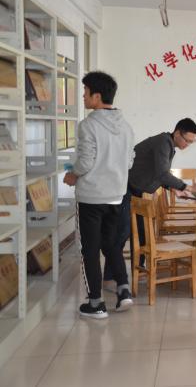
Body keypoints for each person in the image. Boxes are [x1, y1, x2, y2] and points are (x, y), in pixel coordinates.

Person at [64, 71, 135, 318]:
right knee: (112, 244)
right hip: (116, 195)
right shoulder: (126, 127)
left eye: (85, 92)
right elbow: (129, 161)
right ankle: (124, 291)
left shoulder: (88, 125)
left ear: (96, 96)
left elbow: (85, 161)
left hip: (92, 197)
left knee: (90, 250)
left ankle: (95, 304)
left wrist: (73, 175)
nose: (83, 97)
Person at [103, 118, 196, 281]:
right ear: (177, 133)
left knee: (141, 233)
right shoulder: (163, 143)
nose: (188, 144)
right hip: (123, 188)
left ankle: (139, 270)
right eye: (187, 140)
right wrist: (187, 187)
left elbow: (156, 172)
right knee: (122, 232)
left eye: (191, 142)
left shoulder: (168, 144)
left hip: (135, 189)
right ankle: (110, 276)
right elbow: (162, 174)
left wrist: (172, 188)